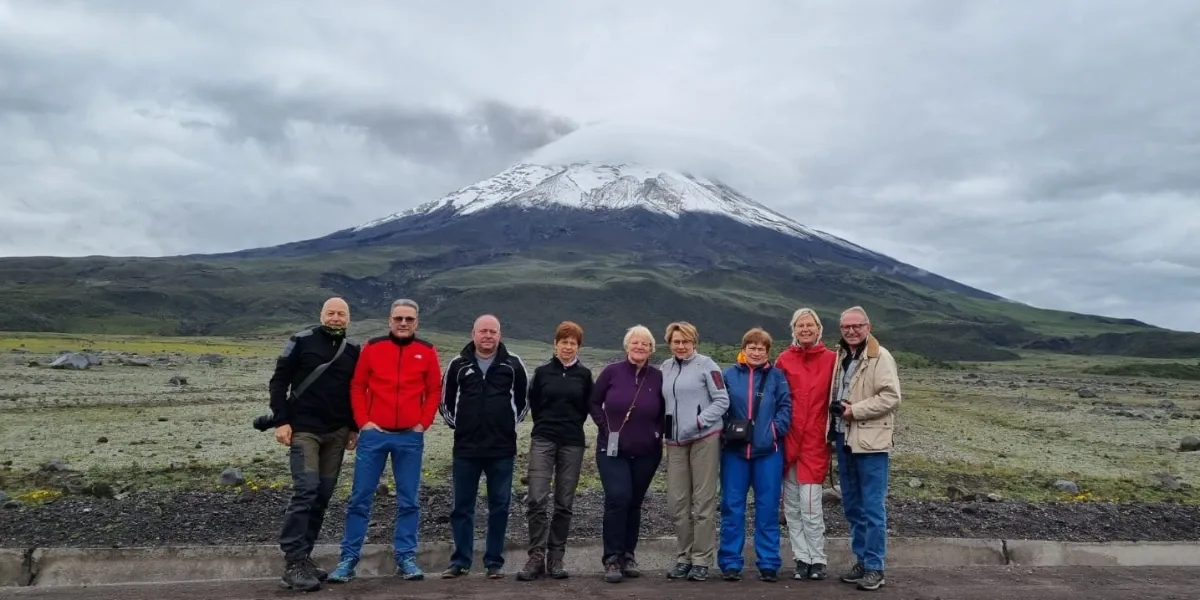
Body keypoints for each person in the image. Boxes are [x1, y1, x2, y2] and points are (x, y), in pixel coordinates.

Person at [327, 299, 443, 583]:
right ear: (389, 320)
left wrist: (422, 424)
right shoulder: (373, 347)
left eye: (409, 319)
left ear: (416, 322)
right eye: (398, 318)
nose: (403, 323)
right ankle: (348, 558)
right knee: (360, 498)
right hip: (374, 436)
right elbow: (358, 385)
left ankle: (406, 557)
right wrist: (364, 422)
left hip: (409, 438)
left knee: (409, 501)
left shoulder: (426, 351)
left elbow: (434, 390)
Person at [268, 297, 361, 592]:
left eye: (341, 314)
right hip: (304, 430)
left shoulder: (353, 350)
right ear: (321, 315)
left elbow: (356, 390)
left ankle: (305, 557)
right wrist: (282, 420)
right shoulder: (301, 340)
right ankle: (293, 562)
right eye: (331, 313)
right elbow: (279, 381)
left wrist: (354, 427)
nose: (336, 318)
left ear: (348, 318)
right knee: (306, 491)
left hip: (336, 432)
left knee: (322, 495)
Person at [438, 314, 529, 579]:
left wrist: (505, 426)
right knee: (462, 507)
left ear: (500, 335)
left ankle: (494, 562)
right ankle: (461, 561)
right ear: (473, 333)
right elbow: (445, 403)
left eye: (493, 331)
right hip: (466, 449)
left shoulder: (513, 364)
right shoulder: (457, 364)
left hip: (501, 449)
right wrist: (464, 427)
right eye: (483, 331)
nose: (488, 336)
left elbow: (523, 403)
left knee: (499, 506)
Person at [829, 306, 901, 592]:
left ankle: (875, 566)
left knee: (872, 508)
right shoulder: (842, 357)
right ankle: (862, 560)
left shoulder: (880, 357)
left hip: (871, 444)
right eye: (846, 327)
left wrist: (854, 411)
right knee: (853, 507)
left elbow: (891, 397)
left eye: (856, 326)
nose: (851, 331)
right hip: (844, 441)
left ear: (868, 327)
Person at [588, 325, 665, 584]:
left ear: (651, 349)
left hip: (647, 452)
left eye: (645, 343)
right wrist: (605, 426)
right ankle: (611, 558)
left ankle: (628, 555)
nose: (639, 347)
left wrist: (658, 433)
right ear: (627, 346)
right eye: (635, 342)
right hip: (611, 450)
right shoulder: (611, 372)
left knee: (634, 502)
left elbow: (667, 411)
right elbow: (593, 401)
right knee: (618, 497)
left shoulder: (658, 377)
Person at [516, 321, 593, 581]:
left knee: (564, 502)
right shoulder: (541, 373)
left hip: (572, 442)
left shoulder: (584, 375)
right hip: (544, 439)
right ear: (555, 344)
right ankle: (536, 556)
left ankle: (556, 557)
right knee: (537, 498)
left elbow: (584, 408)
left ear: (578, 347)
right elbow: (535, 404)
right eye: (564, 342)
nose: (568, 347)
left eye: (573, 343)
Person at [716, 327, 792, 582]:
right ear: (744, 348)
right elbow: (719, 405)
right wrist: (726, 430)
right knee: (731, 507)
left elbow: (785, 406)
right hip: (734, 453)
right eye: (752, 347)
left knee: (768, 509)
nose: (757, 352)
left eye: (762, 348)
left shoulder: (777, 377)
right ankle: (730, 562)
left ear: (768, 351)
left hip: (768, 452)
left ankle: (769, 562)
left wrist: (773, 431)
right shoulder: (728, 375)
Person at [659, 321, 729, 582]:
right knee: (677, 503)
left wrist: (700, 421)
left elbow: (722, 399)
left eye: (685, 341)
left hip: (704, 439)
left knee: (703, 503)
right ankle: (683, 557)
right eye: (676, 341)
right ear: (669, 343)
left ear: (694, 342)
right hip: (675, 443)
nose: (680, 346)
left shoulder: (708, 365)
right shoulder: (665, 367)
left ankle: (701, 560)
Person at [774, 308, 837, 581]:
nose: (805, 329)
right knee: (791, 507)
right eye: (800, 325)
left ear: (819, 328)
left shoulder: (833, 360)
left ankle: (818, 558)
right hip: (789, 440)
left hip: (815, 442)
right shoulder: (784, 360)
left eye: (810, 325)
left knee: (811, 505)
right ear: (794, 329)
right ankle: (801, 558)